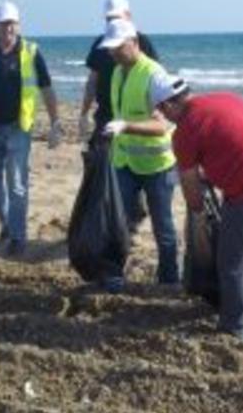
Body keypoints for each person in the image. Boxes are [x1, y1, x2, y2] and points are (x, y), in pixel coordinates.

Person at [151, 76, 243, 340]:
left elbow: (192, 191)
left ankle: (233, 330)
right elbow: (233, 141)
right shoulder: (225, 98)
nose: (162, 116)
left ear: (168, 105)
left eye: (160, 109)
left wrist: (198, 217)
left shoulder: (185, 131)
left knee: (233, 263)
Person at [0, 1, 63, 256]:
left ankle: (18, 236)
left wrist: (55, 121)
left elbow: (46, 88)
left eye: (12, 23)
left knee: (17, 183)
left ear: (18, 24)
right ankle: (7, 222)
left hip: (18, 128)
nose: (9, 28)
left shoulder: (31, 51)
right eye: (4, 23)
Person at [99, 18, 179, 290]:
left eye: (118, 48)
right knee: (117, 220)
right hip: (124, 161)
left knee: (163, 227)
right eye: (110, 49)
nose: (113, 54)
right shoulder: (118, 71)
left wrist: (126, 126)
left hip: (157, 166)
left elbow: (162, 124)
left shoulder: (154, 74)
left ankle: (169, 280)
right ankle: (113, 274)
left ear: (133, 43)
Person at [80, 0, 159, 144]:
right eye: (109, 19)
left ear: (128, 16)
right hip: (106, 114)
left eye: (117, 17)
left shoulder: (142, 42)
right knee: (102, 160)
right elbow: (92, 81)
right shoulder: (100, 44)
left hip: (137, 116)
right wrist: (84, 113)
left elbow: (156, 79)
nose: (113, 22)